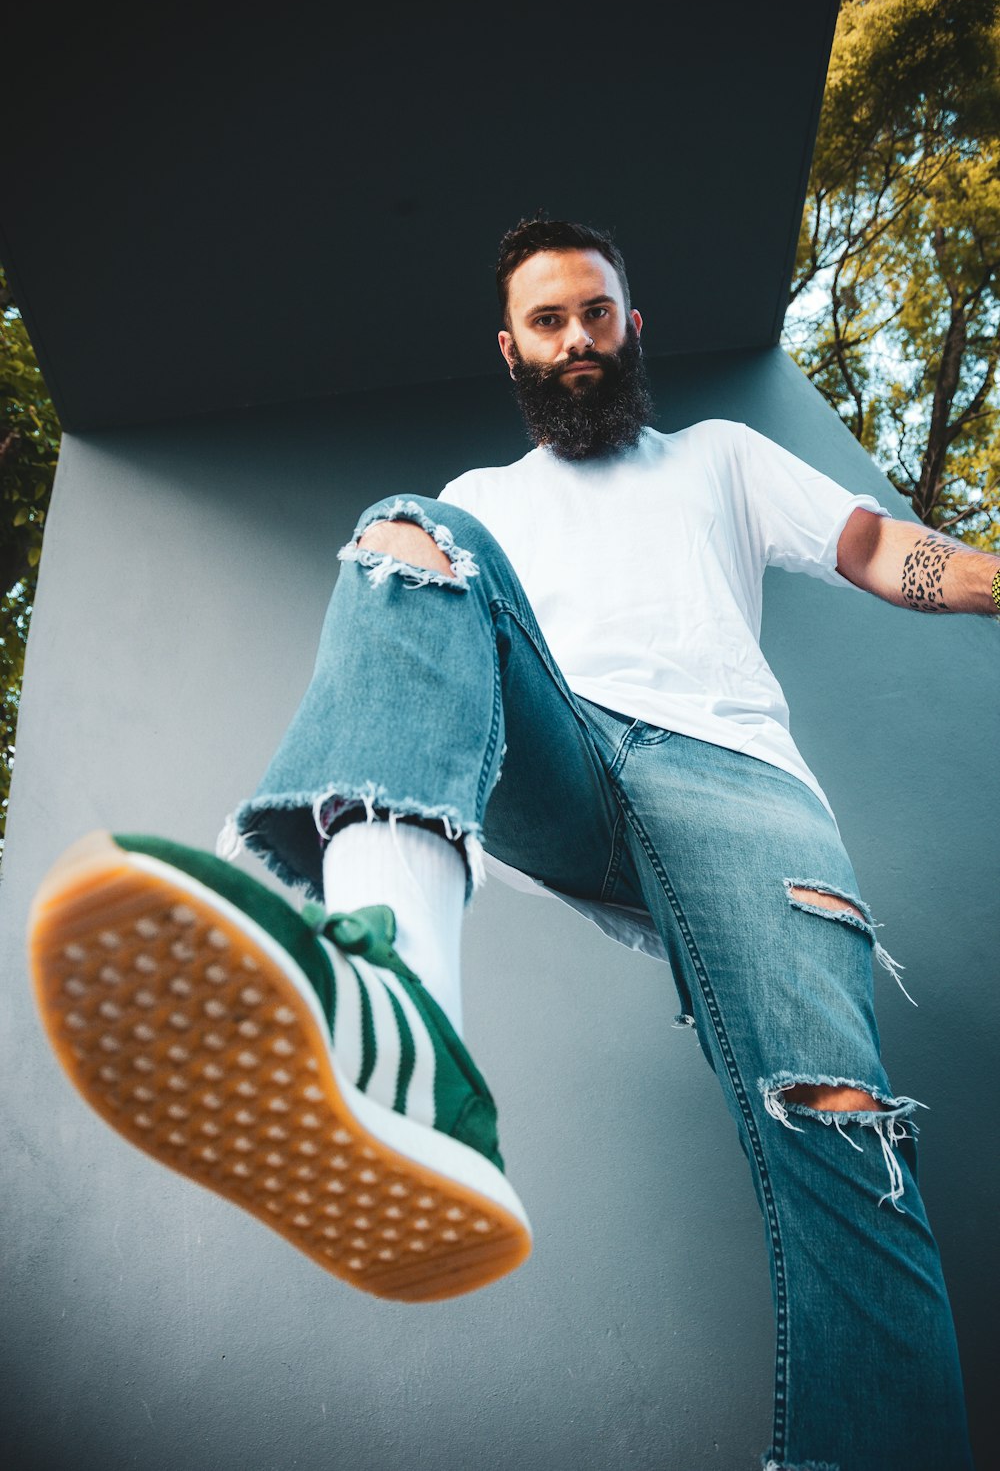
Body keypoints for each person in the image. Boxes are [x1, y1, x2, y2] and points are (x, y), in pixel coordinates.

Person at [29, 219, 995, 1470]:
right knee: (405, 533)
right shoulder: (487, 503)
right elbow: (455, 632)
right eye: (550, 322)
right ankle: (396, 1007)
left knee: (839, 1123)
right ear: (512, 349)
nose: (578, 339)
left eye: (597, 313)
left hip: (739, 786)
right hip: (568, 760)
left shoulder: (720, 458)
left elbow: (874, 547)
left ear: (630, 327)